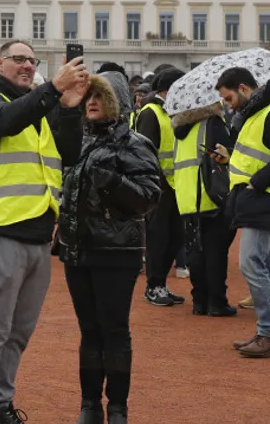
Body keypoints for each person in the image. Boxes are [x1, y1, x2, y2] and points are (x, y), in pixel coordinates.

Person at [0, 40, 87, 424]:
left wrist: (71, 110)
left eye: (32, 60)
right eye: (18, 59)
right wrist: (53, 90)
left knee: (18, 332)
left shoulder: (39, 110)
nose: (27, 65)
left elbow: (69, 155)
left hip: (37, 232)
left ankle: (1, 403)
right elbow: (3, 122)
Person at [57, 75, 162, 424]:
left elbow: (149, 196)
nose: (91, 102)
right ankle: (89, 405)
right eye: (88, 97)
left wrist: (112, 182)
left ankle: (117, 407)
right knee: (89, 330)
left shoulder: (135, 143)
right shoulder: (79, 142)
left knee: (114, 330)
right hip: (78, 252)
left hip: (117, 252)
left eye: (99, 96)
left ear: (116, 100)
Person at [216, 67, 270, 358]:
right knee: (266, 266)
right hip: (261, 198)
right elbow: (258, 156)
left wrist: (256, 183)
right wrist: (229, 158)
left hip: (266, 198)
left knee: (251, 263)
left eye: (229, 97)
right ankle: (269, 332)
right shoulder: (256, 115)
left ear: (244, 88)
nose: (227, 103)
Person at [172, 102, 237, 316]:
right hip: (210, 195)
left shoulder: (180, 129)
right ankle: (217, 302)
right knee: (215, 251)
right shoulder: (213, 123)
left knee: (195, 251)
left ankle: (199, 301)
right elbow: (226, 154)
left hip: (187, 197)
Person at [131, 67, 187, 307]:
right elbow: (144, 152)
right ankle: (154, 286)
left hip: (175, 186)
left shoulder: (172, 112)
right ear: (169, 90)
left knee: (175, 238)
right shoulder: (151, 112)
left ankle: (161, 284)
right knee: (158, 239)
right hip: (158, 188)